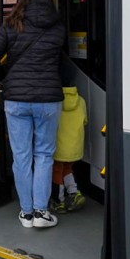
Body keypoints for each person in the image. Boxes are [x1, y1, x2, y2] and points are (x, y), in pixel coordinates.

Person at [0, 0, 67, 230]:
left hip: (16, 100)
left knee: (21, 157)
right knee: (44, 155)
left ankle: (26, 213)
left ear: (23, 0)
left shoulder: (12, 24)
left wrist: (0, 79)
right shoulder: (58, 27)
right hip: (48, 100)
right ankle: (42, 212)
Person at [51, 86, 87, 214]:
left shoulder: (55, 101)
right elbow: (85, 121)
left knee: (57, 170)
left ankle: (59, 201)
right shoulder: (81, 101)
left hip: (59, 145)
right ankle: (73, 192)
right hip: (74, 145)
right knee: (67, 168)